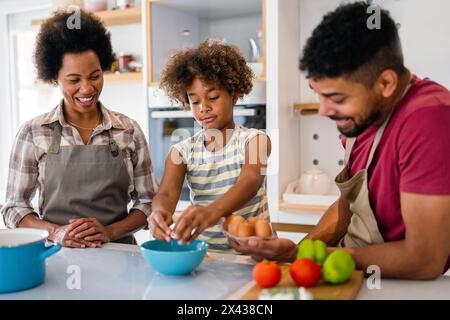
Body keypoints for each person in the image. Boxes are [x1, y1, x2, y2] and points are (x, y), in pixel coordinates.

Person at [230, 2, 450, 279]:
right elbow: (348, 208)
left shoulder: (429, 119)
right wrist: (299, 251)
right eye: (317, 94)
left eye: (337, 98)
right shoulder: (361, 115)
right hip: (351, 273)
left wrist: (321, 257)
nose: (323, 110)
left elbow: (424, 259)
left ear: (385, 84)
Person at [1, 10, 158, 247]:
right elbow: (14, 208)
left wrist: (109, 232)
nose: (87, 89)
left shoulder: (128, 131)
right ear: (55, 77)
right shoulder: (33, 133)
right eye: (74, 80)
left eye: (95, 76)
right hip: (56, 257)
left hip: (121, 256)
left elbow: (149, 203)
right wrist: (56, 232)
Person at [147, 39, 271, 252]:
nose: (203, 107)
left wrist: (212, 212)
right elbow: (166, 194)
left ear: (233, 96)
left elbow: (250, 182)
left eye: (212, 97)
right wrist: (158, 213)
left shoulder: (255, 140)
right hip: (207, 257)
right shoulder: (182, 151)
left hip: (255, 255)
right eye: (195, 102)